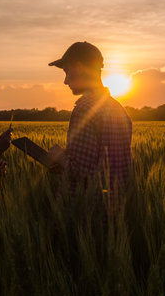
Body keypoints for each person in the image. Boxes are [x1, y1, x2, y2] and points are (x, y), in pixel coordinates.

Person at [46, 42, 133, 211]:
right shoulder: (119, 110)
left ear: (78, 68)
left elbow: (81, 172)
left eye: (67, 71)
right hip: (112, 213)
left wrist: (59, 157)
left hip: (84, 215)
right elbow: (109, 168)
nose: (65, 81)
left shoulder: (85, 109)